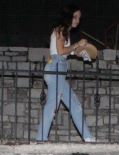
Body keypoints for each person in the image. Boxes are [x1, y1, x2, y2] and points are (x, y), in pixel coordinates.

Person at [34, 4, 94, 143]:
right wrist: (77, 45)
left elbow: (64, 51)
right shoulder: (60, 29)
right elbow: (60, 51)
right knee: (52, 105)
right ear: (68, 16)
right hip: (56, 67)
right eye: (75, 17)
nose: (78, 20)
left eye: (79, 18)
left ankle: (88, 138)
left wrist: (80, 52)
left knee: (75, 105)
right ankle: (40, 139)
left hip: (59, 69)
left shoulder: (64, 32)